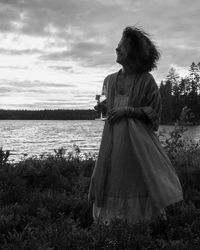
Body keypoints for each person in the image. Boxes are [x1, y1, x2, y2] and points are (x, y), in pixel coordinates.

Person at [88, 26, 183, 224]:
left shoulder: (146, 81)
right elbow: (110, 106)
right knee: (112, 177)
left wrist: (128, 111)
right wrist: (102, 107)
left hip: (137, 145)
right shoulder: (109, 80)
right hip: (113, 140)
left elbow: (155, 113)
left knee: (133, 180)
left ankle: (139, 227)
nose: (117, 49)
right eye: (117, 46)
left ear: (134, 52)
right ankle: (112, 228)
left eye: (121, 47)